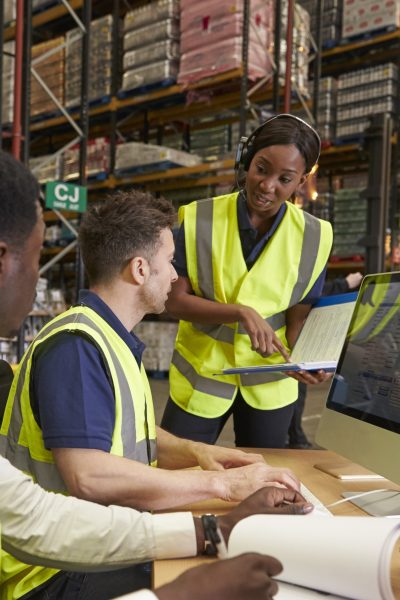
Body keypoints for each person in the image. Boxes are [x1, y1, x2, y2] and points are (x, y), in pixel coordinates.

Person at [0, 176, 304, 599]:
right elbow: (88, 475)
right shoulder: (76, 346)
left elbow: (124, 432)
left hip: (93, 545)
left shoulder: (109, 337)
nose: (176, 275)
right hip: (50, 572)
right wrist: (223, 488)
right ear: (140, 269)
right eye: (171, 261)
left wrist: (200, 452)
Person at [162, 113, 333, 448]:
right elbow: (173, 301)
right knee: (174, 470)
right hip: (202, 375)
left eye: (285, 179)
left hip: (269, 382)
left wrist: (306, 358)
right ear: (246, 161)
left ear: (301, 183)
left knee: (264, 481)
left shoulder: (316, 236)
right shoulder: (198, 217)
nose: (268, 185)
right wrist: (239, 312)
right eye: (261, 169)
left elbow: (298, 314)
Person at [287, 271, 363, 449]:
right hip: (288, 345)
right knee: (297, 391)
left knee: (298, 391)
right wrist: (343, 283)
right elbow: (313, 291)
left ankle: (296, 436)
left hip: (296, 342)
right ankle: (296, 438)